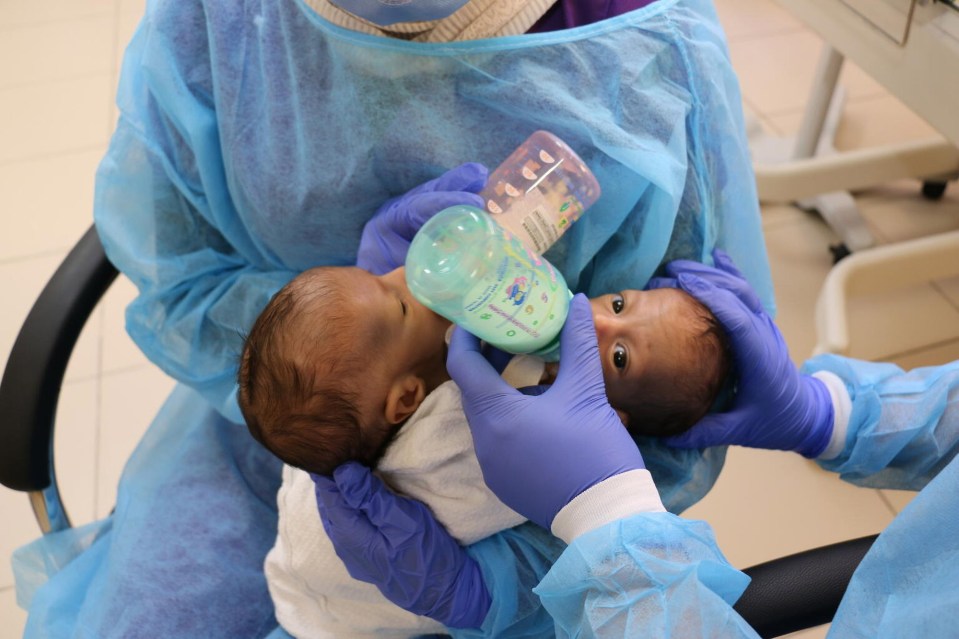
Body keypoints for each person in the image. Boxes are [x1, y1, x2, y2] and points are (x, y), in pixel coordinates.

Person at [13, 0, 776, 635]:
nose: (407, 275)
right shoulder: (218, 21)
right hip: (268, 418)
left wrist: (487, 585)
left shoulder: (646, 46)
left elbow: (685, 365)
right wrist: (322, 330)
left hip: (554, 501)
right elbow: (183, 280)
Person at [316, 250, 959, 637]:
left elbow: (529, 584)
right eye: (620, 301)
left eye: (619, 355)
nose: (591, 317)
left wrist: (596, 516)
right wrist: (832, 414)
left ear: (616, 421)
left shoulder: (542, 465)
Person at [239, 263, 729, 637]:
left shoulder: (510, 429)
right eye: (619, 304)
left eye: (620, 357)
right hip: (324, 592)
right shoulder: (454, 416)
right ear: (407, 399)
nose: (406, 272)